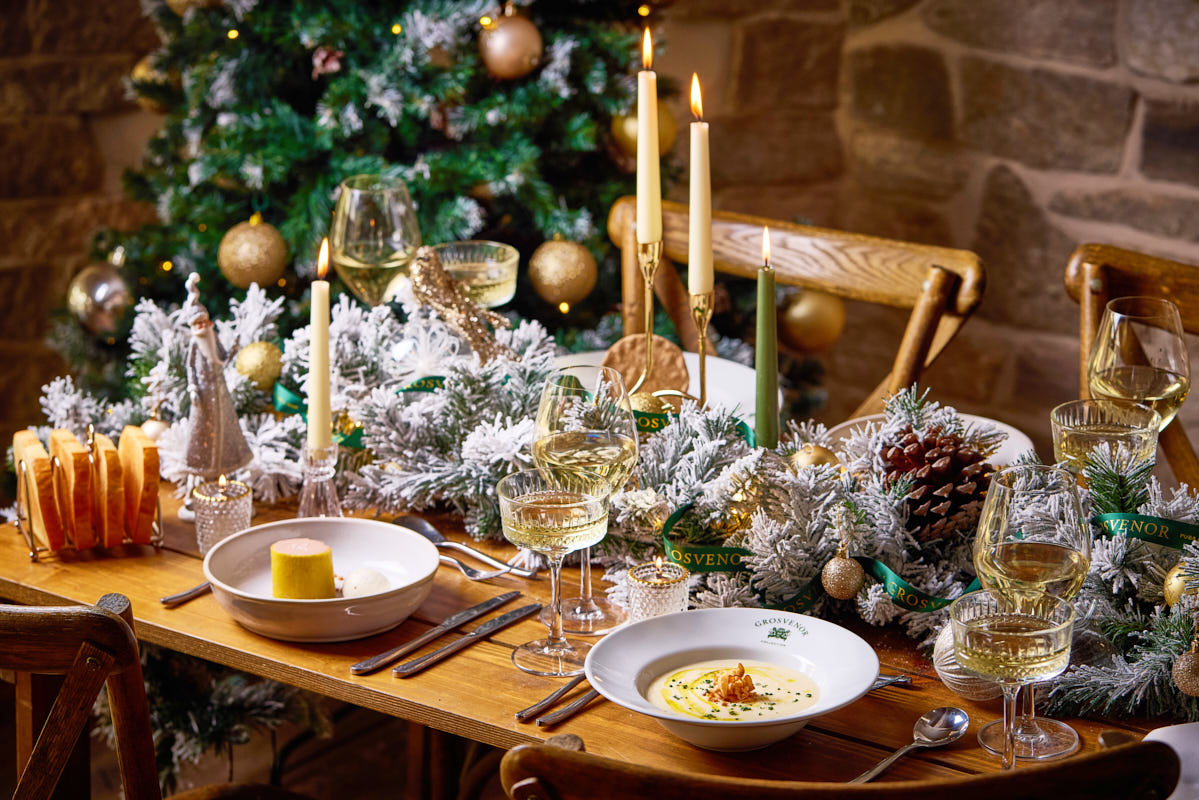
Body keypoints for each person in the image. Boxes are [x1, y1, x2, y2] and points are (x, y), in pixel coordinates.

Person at [181, 273, 253, 480]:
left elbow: (223, 358)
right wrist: (193, 387)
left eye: (205, 321)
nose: (203, 326)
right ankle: (202, 466)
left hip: (219, 390)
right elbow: (190, 367)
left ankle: (225, 463)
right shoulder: (196, 344)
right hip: (203, 394)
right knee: (203, 429)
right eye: (198, 324)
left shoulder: (213, 339)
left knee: (224, 426)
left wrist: (234, 348)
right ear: (194, 326)